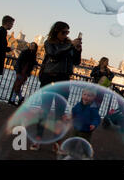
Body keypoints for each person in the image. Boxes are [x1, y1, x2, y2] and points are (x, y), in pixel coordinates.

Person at [30, 21, 82, 152]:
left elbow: (76, 62)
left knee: (60, 113)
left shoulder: (68, 44)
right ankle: (38, 139)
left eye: (67, 32)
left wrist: (78, 50)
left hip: (63, 79)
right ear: (56, 31)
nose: (65, 35)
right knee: (44, 109)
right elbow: (54, 54)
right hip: (50, 77)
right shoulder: (49, 43)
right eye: (63, 32)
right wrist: (71, 46)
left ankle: (56, 143)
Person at [8, 42, 38, 106]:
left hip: (25, 72)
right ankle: (18, 98)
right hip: (20, 70)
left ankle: (14, 100)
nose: (32, 46)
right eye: (31, 45)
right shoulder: (24, 52)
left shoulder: (33, 55)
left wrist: (35, 64)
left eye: (33, 46)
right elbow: (19, 61)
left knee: (18, 85)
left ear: (35, 48)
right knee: (17, 85)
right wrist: (18, 71)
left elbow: (33, 62)